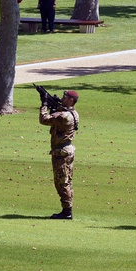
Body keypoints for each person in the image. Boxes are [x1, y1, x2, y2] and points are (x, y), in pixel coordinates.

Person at [39, 89, 79, 219]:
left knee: (62, 182)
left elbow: (44, 119)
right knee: (66, 181)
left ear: (71, 100)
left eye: (65, 97)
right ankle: (67, 209)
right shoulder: (73, 113)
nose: (63, 98)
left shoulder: (64, 115)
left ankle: (67, 212)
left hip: (61, 153)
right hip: (66, 150)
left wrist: (44, 104)